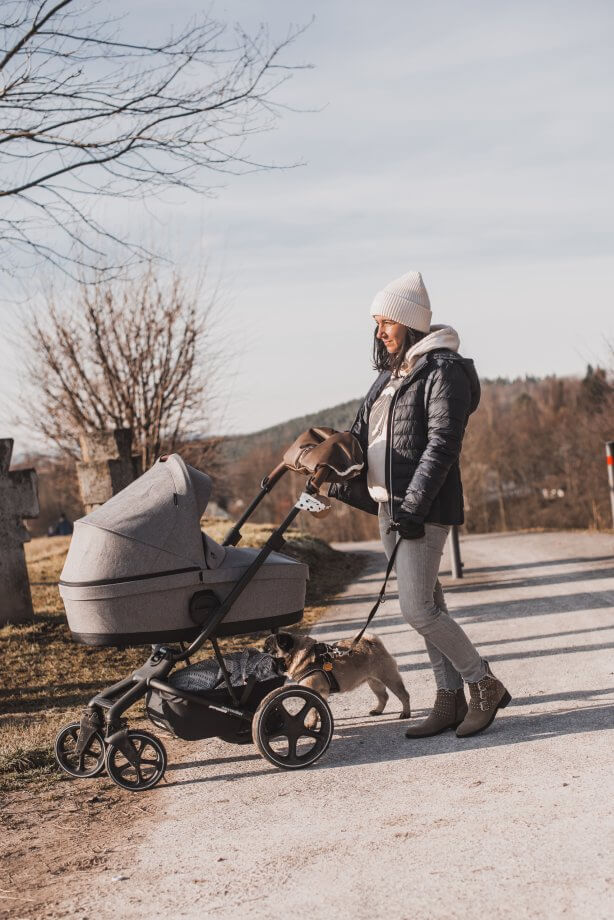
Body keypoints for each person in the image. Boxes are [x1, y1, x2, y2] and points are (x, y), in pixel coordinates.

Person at [328, 270, 511, 738]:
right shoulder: (393, 375)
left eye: (385, 321)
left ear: (409, 321)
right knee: (430, 604)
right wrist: (327, 461)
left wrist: (413, 505)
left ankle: (483, 684)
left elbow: (442, 444)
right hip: (389, 507)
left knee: (418, 609)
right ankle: (448, 699)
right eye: (376, 322)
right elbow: (361, 432)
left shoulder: (443, 370)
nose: (379, 331)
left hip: (422, 508)